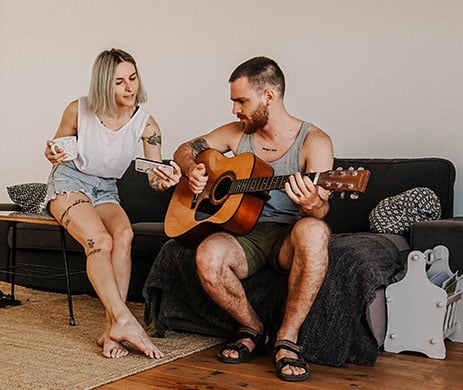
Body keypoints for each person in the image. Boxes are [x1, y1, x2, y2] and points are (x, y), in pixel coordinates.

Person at [172, 56, 333, 381]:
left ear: (269, 96)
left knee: (315, 230)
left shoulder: (314, 142)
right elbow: (185, 149)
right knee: (208, 253)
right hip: (244, 232)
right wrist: (193, 171)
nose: (235, 109)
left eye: (241, 100)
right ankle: (252, 327)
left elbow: (321, 210)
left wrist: (312, 202)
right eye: (234, 101)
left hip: (289, 237)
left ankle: (287, 339)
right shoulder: (236, 133)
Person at [44, 48, 181, 359]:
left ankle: (111, 330)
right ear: (105, 84)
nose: (130, 88)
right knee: (100, 240)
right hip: (69, 181)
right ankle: (124, 320)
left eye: (132, 78)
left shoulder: (147, 125)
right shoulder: (77, 110)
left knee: (124, 235)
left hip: (106, 189)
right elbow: (56, 151)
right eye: (120, 82)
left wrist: (165, 178)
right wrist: (51, 152)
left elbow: (154, 177)